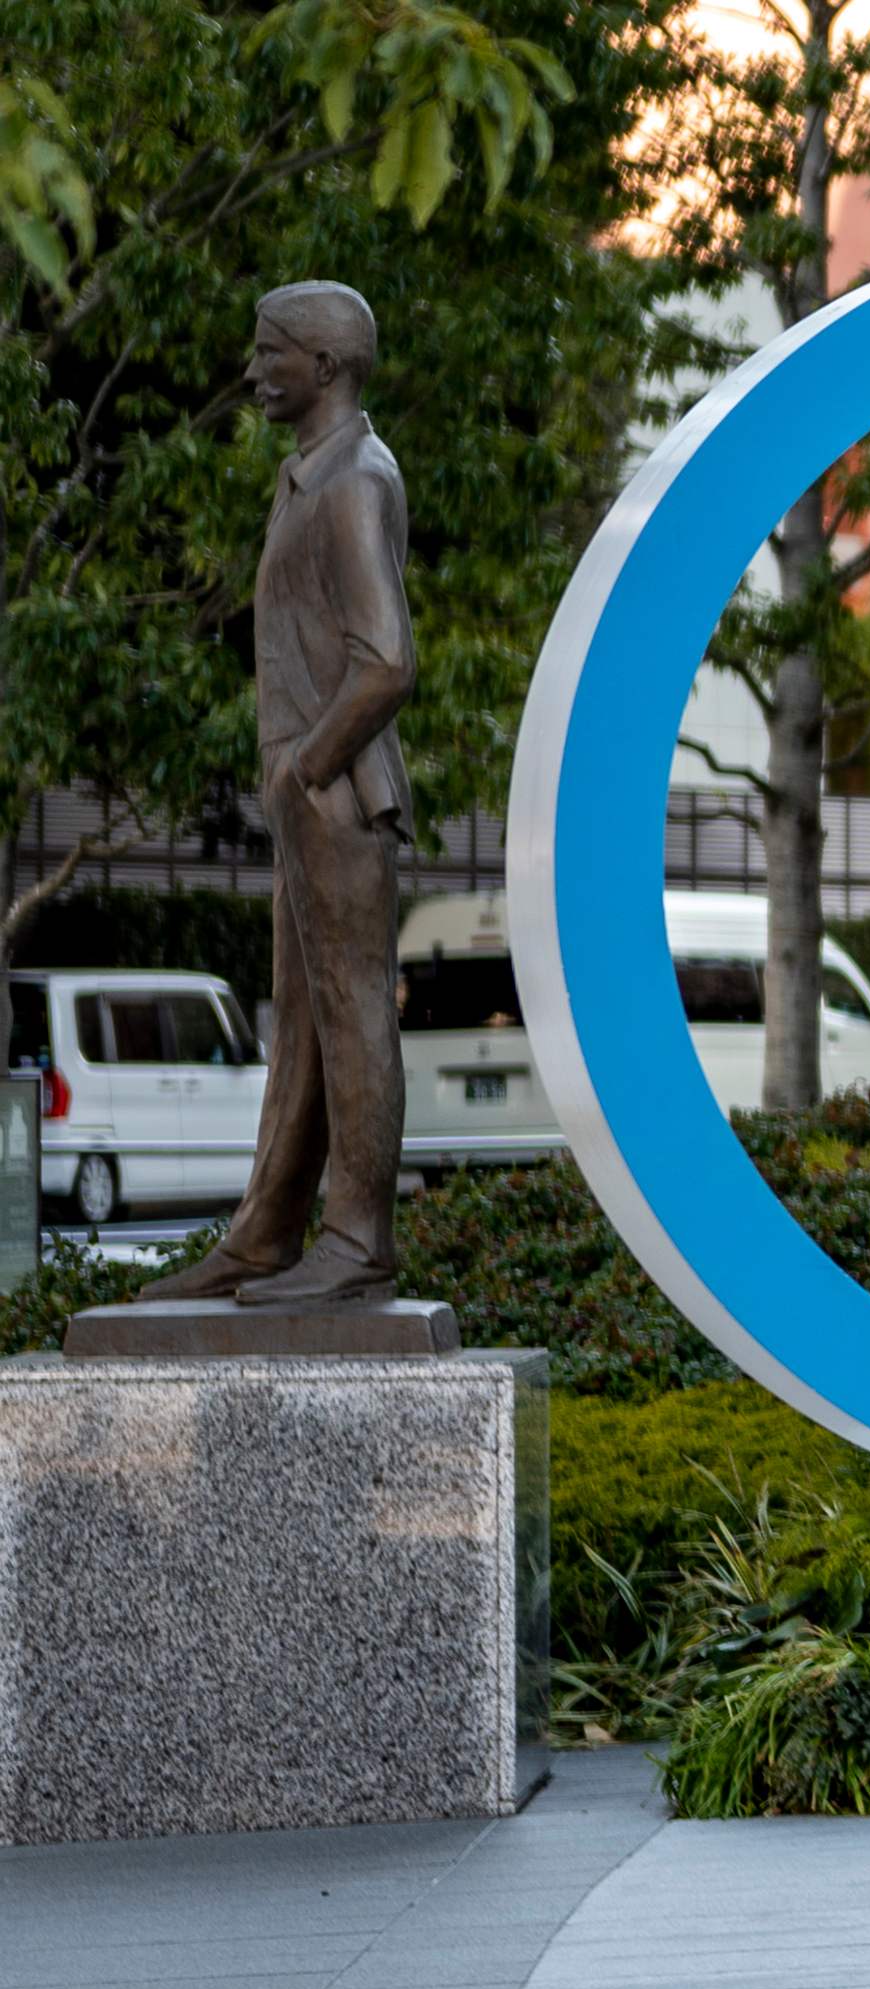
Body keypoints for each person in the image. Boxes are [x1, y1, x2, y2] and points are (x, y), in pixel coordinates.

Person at [144, 280, 412, 1308]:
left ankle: (357, 1241)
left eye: (271, 354)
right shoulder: (314, 473)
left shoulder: (354, 479)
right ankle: (266, 1233)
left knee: (349, 1013)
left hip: (337, 790)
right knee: (302, 1019)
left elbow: (385, 660)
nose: (253, 372)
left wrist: (306, 768)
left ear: (327, 368)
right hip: (311, 793)